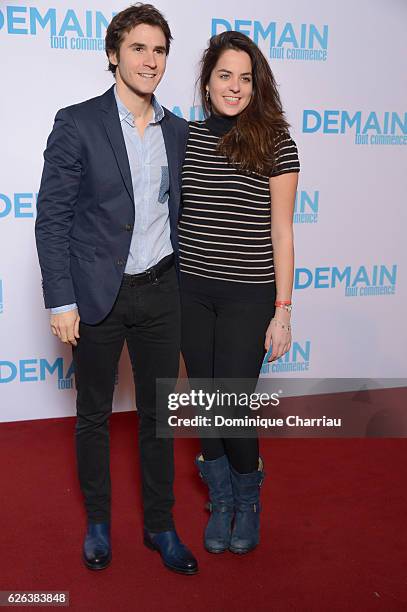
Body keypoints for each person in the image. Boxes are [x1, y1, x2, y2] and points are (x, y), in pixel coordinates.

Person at [35, 3, 198, 575]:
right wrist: (61, 299)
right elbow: (52, 217)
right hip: (97, 295)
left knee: (158, 418)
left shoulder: (178, 131)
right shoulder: (77, 122)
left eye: (159, 50)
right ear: (113, 54)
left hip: (162, 293)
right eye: (138, 48)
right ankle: (99, 523)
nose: (150, 60)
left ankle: (160, 526)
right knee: (94, 415)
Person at [179, 31, 300, 554]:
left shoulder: (277, 141)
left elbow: (283, 230)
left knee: (229, 402)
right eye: (224, 75)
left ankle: (247, 499)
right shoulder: (185, 137)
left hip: (249, 296)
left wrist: (283, 311)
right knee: (205, 402)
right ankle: (222, 499)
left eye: (245, 78)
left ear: (257, 85)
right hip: (189, 292)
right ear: (207, 83)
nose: (234, 86)